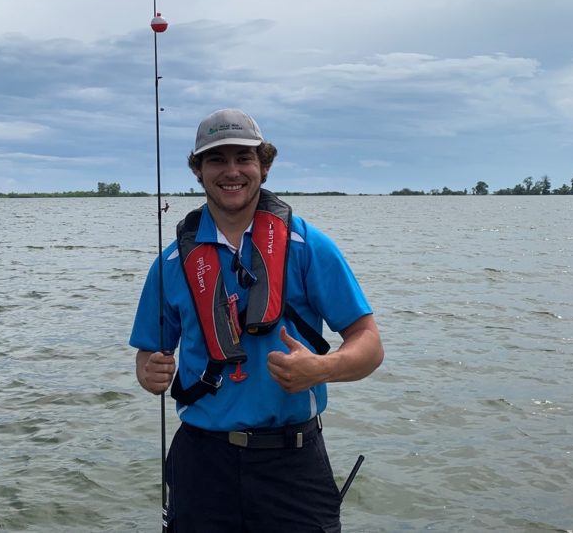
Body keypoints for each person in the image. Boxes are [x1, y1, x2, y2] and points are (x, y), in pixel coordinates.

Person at [130, 108, 384, 532]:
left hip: (293, 462)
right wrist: (148, 371)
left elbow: (370, 345)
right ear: (199, 171)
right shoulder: (171, 262)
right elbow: (147, 357)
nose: (232, 171)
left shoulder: (309, 245)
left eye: (243, 158)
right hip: (200, 462)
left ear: (263, 166)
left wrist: (320, 369)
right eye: (216, 159)